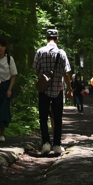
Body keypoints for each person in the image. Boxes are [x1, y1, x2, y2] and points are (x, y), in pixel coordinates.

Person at [32, 27, 72, 156]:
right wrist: (69, 89)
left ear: (46, 38)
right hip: (58, 89)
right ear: (57, 39)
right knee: (58, 117)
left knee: (43, 117)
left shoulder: (40, 51)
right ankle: (57, 145)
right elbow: (66, 73)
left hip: (44, 90)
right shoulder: (62, 53)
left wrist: (42, 78)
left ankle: (45, 143)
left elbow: (37, 70)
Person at [0, 37, 17, 142]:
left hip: (6, 86)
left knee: (4, 109)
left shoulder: (9, 59)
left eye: (1, 46)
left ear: (5, 47)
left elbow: (13, 75)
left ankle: (2, 133)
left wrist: (9, 89)